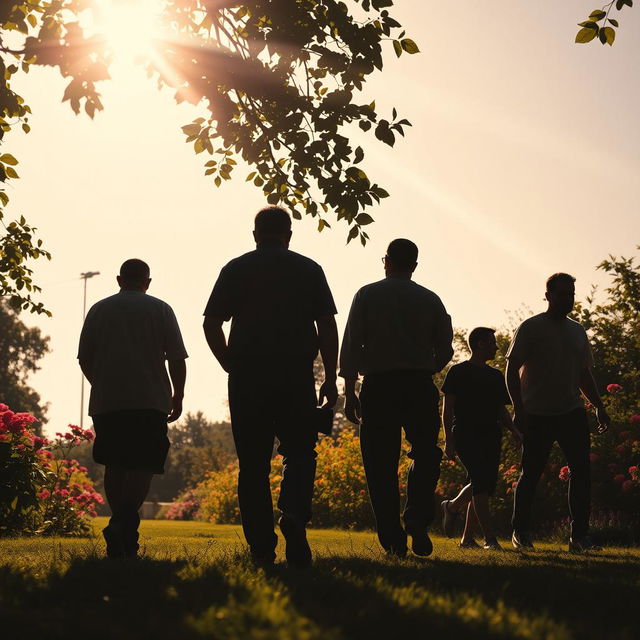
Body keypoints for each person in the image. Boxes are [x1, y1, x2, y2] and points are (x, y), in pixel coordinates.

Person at [203, 206, 338, 568]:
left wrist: (229, 362)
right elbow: (326, 325)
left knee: (253, 464)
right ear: (289, 235)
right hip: (295, 375)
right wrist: (330, 376)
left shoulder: (236, 268)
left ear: (255, 235)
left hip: (248, 376)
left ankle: (262, 548)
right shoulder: (309, 269)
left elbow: (211, 323)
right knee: (300, 451)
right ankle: (294, 514)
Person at [340, 239, 453, 557]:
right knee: (427, 454)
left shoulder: (367, 294)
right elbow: (445, 347)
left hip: (379, 385)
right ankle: (417, 519)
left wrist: (350, 392)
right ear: (414, 265)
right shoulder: (430, 299)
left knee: (380, 463)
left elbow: (351, 346)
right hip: (418, 384)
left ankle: (393, 538)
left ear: (386, 261)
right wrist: (428, 367)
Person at [78, 259, 187, 559]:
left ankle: (120, 525)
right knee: (143, 464)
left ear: (118, 279)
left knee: (114, 463)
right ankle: (124, 524)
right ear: (147, 282)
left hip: (108, 401)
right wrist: (177, 395)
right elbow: (177, 358)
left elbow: (85, 358)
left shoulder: (99, 310)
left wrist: (101, 382)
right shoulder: (161, 309)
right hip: (149, 400)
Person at [506, 272, 610, 552]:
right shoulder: (530, 328)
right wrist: (519, 408)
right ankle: (521, 531)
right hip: (537, 414)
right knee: (531, 473)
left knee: (581, 472)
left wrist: (598, 406)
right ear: (548, 295)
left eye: (571, 294)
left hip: (571, 412)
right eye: (562, 294)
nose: (568, 299)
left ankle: (579, 537)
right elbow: (511, 369)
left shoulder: (577, 331)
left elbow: (584, 374)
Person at [440, 327, 522, 550]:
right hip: (466, 434)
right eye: (492, 342)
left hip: (491, 435)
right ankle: (490, 539)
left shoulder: (495, 376)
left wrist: (514, 430)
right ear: (479, 344)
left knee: (482, 486)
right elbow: (448, 409)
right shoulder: (457, 372)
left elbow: (501, 410)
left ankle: (460, 524)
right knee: (480, 483)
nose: (496, 346)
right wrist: (448, 439)